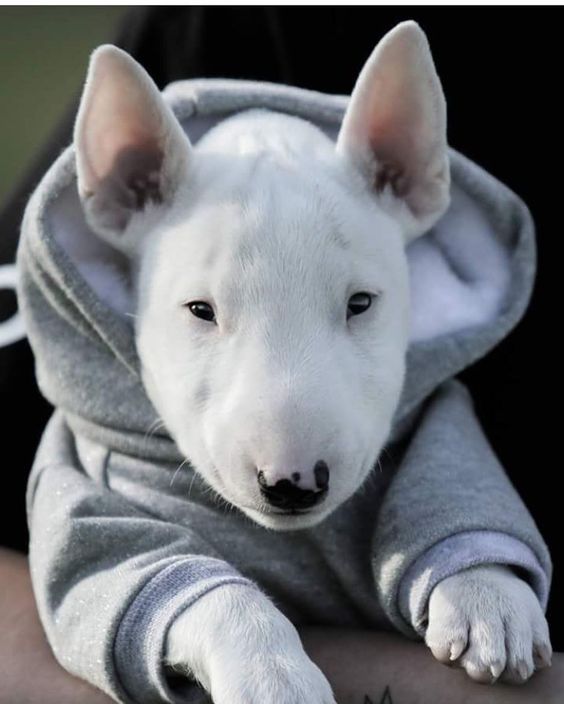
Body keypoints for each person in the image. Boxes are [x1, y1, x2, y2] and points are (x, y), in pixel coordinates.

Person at [0, 8, 561, 704]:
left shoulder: (425, 411)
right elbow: (85, 568)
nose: (289, 469)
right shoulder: (106, 457)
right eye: (202, 312)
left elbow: (452, 495)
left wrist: (473, 570)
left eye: (358, 305)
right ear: (124, 185)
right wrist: (225, 629)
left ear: (408, 172)